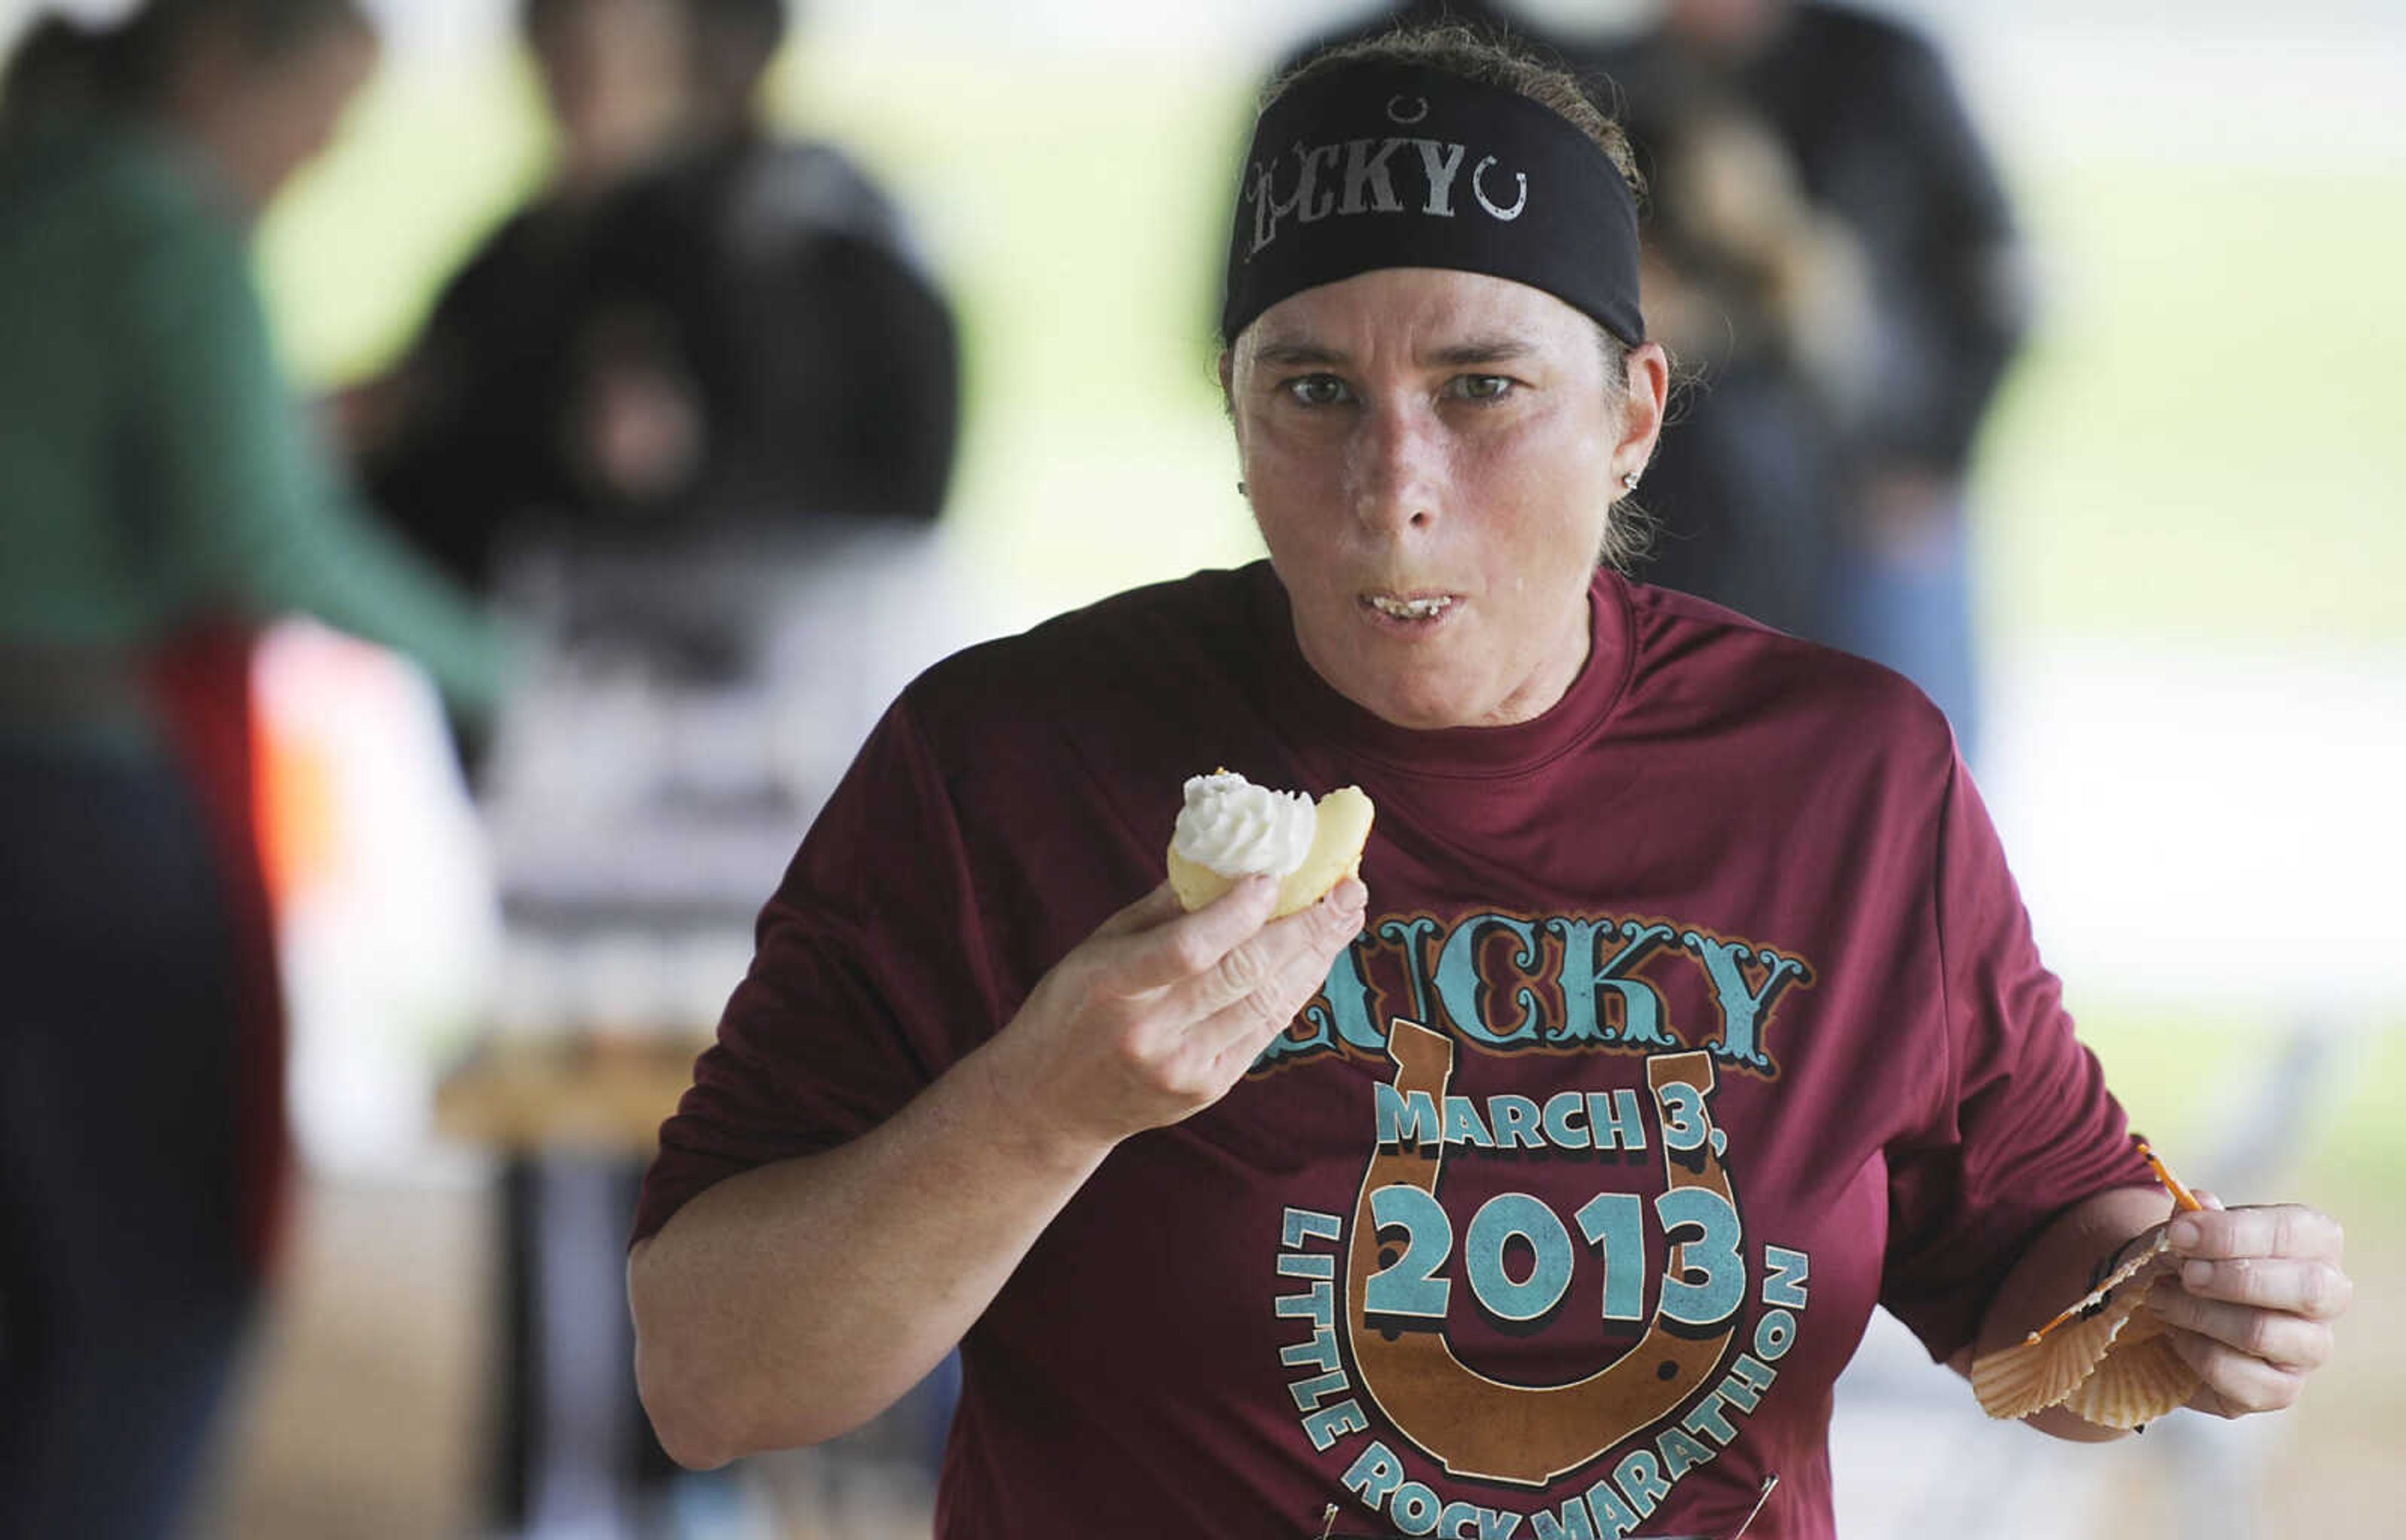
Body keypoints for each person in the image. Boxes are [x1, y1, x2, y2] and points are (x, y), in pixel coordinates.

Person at [623, 26, 2346, 1539]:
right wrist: (1045, 1104)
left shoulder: (1846, 777)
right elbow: (710, 1377)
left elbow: (2043, 1277)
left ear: (1634, 418)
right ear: (1232, 420)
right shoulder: (1004, 764)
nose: (1395, 488)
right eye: (1312, 391)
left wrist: (2183, 1303)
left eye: (1482, 390)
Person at [0, 3, 508, 1534]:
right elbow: (256, 539)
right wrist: (520, 677)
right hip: (89, 779)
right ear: (224, 61)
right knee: (174, 1268)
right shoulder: (168, 232)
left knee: (41, 1270)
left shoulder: (45, 184)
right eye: (322, 115)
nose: (320, 159)